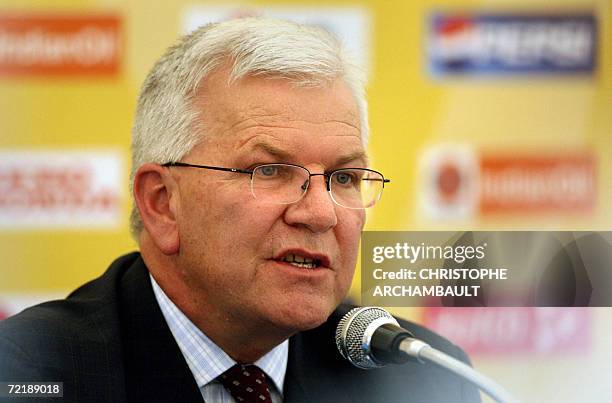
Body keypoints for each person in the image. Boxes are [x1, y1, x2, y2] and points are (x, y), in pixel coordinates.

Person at [0, 18, 480, 402]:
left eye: (343, 179)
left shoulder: (420, 377)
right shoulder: (30, 374)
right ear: (162, 203)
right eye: (269, 171)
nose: (320, 213)